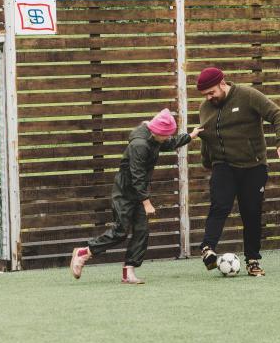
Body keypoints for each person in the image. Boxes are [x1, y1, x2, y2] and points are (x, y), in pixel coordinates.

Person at [70, 108, 199, 284]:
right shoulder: (139, 145)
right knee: (121, 231)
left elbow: (168, 143)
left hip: (139, 191)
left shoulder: (154, 137)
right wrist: (146, 202)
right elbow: (137, 175)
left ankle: (128, 271)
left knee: (142, 231)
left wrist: (190, 136)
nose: (168, 138)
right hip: (124, 192)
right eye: (166, 134)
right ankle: (83, 253)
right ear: (158, 131)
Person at [194, 67, 280, 277]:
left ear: (223, 83)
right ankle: (207, 249)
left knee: (251, 213)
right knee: (219, 205)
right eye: (205, 95)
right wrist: (207, 162)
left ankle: (253, 260)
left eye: (211, 92)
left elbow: (277, 115)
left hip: (253, 166)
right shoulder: (205, 107)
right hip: (223, 165)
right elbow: (207, 136)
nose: (209, 98)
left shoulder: (247, 96)